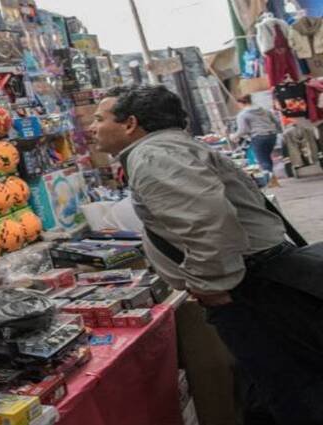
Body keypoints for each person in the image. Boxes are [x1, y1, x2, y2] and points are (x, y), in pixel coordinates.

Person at [88, 85, 323, 425]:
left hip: (248, 289)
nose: (92, 128)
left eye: (100, 119)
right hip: (253, 282)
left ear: (130, 124)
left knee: (291, 390)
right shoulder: (168, 147)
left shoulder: (154, 156)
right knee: (277, 386)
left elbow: (208, 223)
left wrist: (211, 286)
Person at [231, 94, 282, 187]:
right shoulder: (265, 110)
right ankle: (273, 180)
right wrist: (278, 131)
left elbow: (243, 130)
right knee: (267, 158)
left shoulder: (243, 114)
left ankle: (270, 181)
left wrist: (233, 136)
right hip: (271, 136)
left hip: (258, 137)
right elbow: (276, 122)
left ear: (241, 103)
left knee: (262, 160)